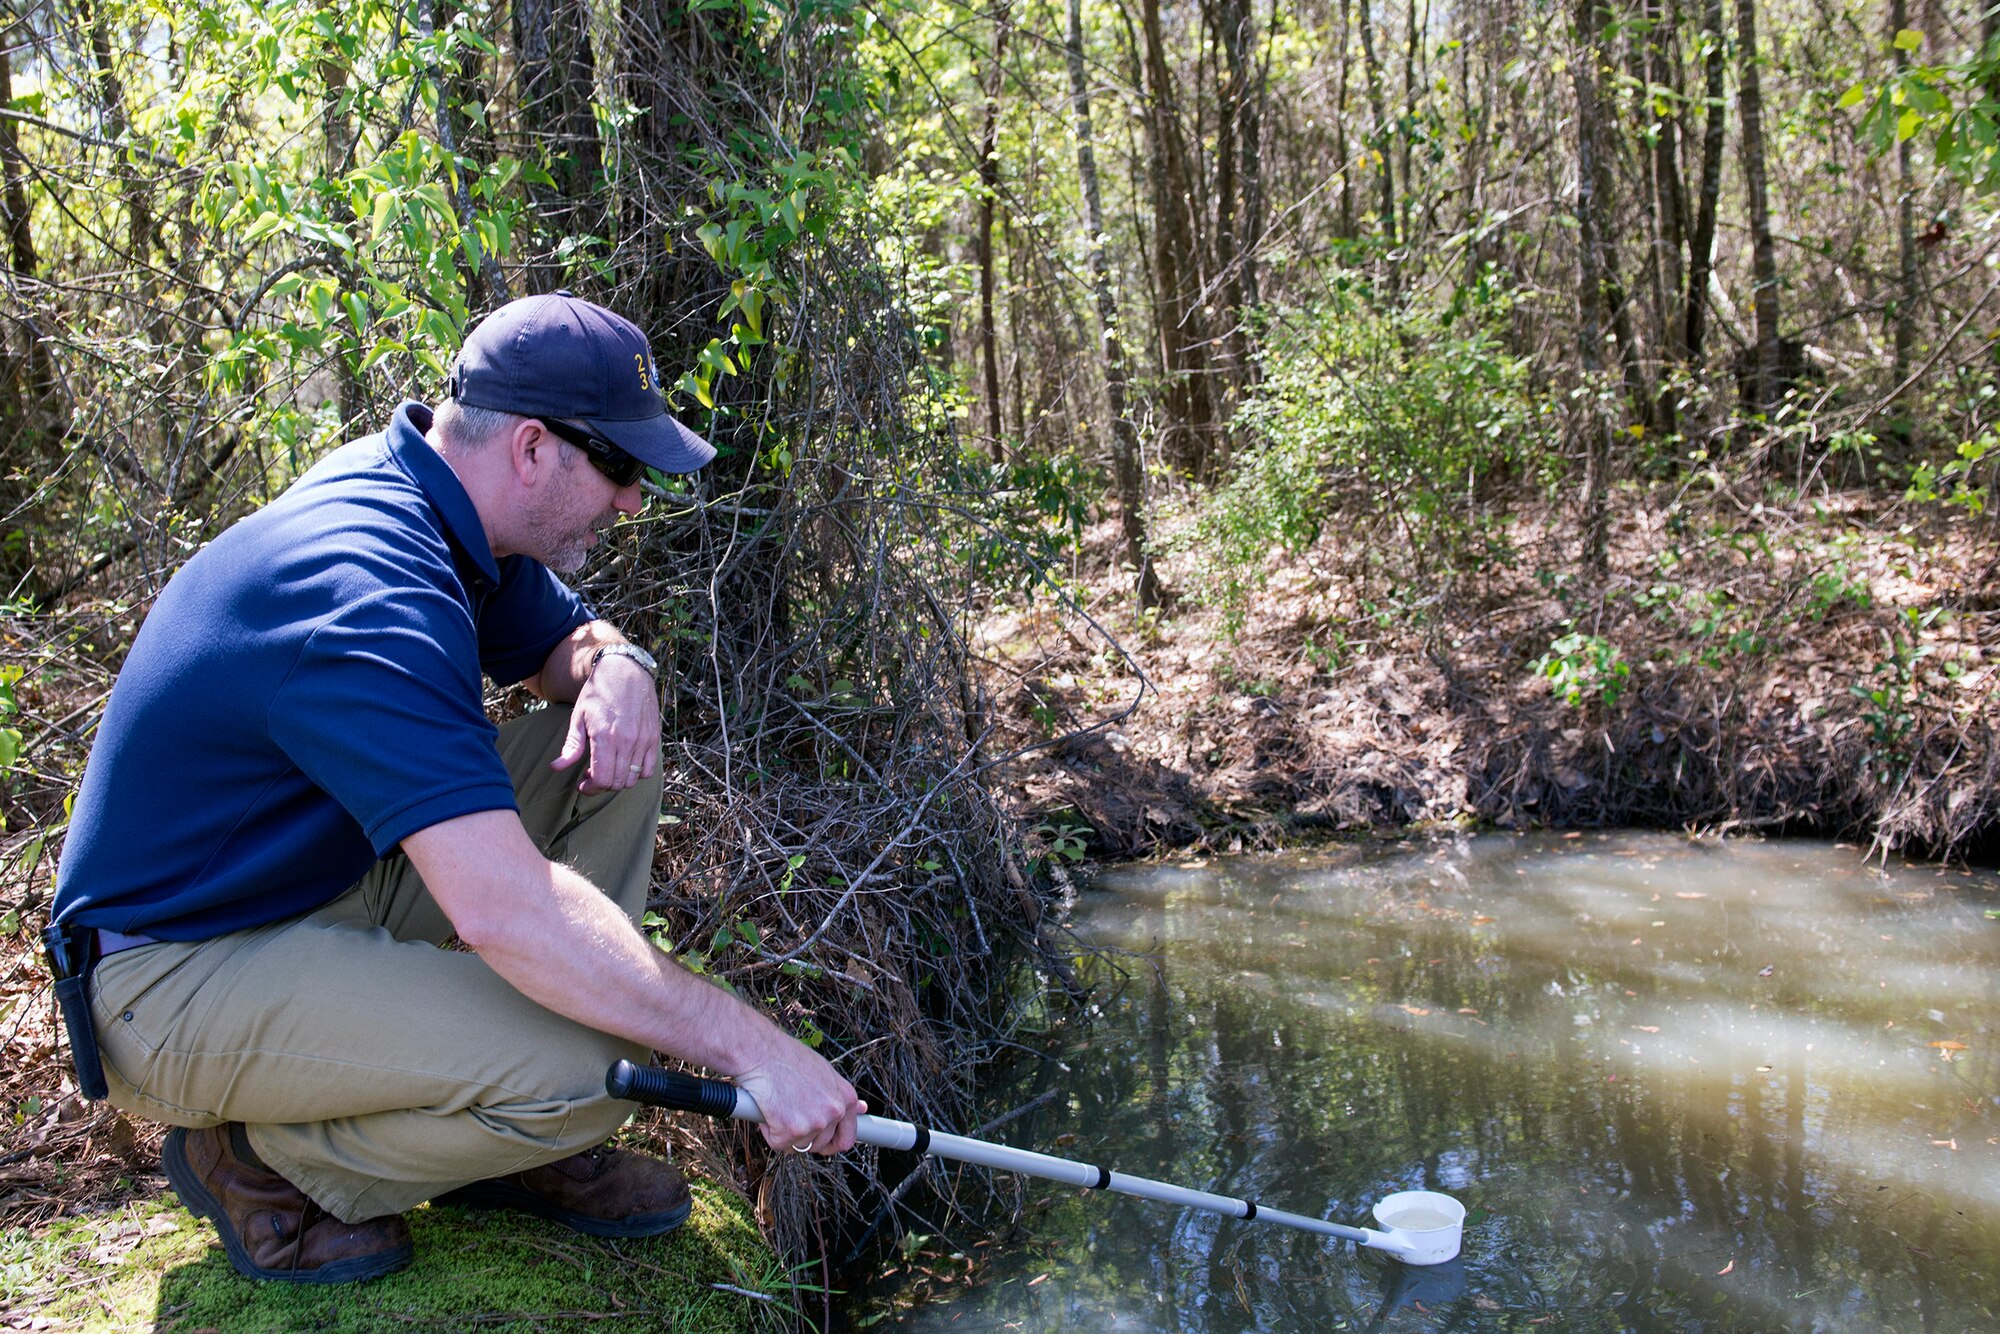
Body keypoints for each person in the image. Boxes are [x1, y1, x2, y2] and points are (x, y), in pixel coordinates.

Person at [48, 291, 863, 1284]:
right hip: (171, 976)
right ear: (530, 447)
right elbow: (505, 909)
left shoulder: (444, 505)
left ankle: (504, 1127)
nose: (633, 501)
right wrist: (754, 1047)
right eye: (619, 466)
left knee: (597, 748)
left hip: (313, 885)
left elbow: (567, 648)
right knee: (594, 1069)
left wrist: (619, 664)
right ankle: (264, 1161)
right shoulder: (366, 588)